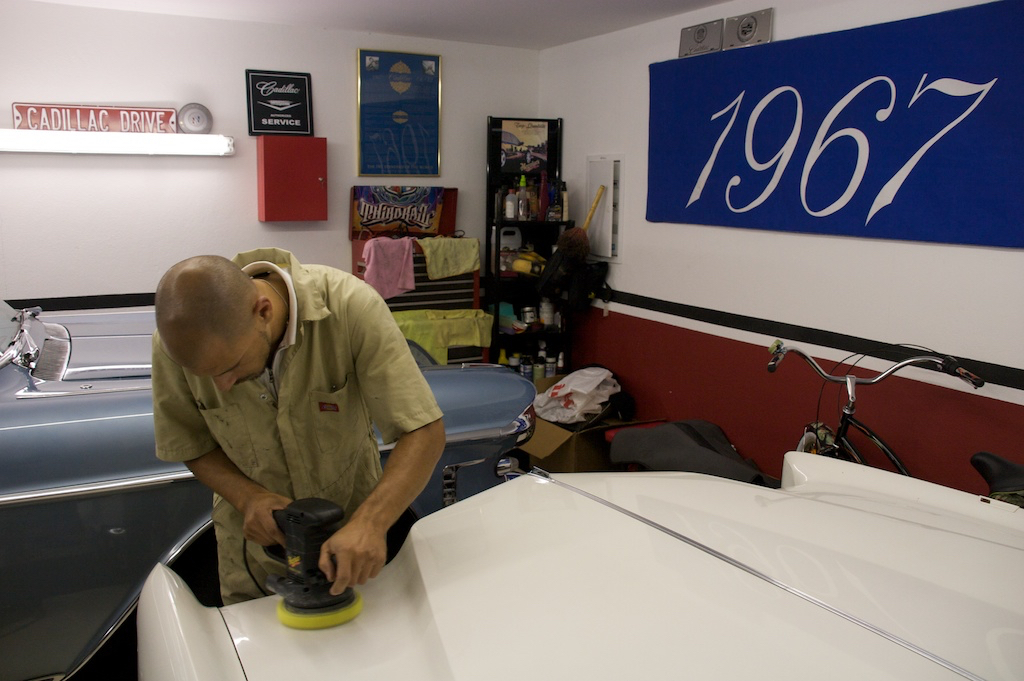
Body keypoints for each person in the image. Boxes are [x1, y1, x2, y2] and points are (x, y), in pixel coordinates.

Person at [151, 247, 445, 604]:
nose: (222, 387)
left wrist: (371, 523)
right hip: (256, 563)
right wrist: (249, 498)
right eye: (207, 376)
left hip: (352, 550)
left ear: (263, 311)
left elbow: (423, 431)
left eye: (229, 368)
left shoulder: (349, 307)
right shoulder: (177, 346)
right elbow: (192, 444)